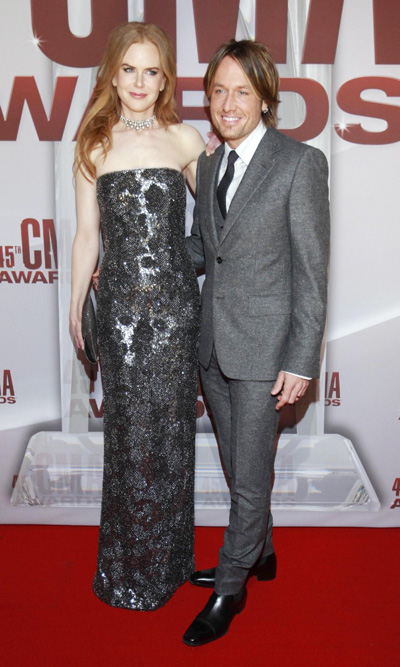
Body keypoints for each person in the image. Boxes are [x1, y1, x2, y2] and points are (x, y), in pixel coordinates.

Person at [183, 39, 330, 646]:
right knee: (238, 465)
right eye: (218, 90)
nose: (228, 103)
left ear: (265, 98)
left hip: (267, 352)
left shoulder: (299, 163)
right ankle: (261, 551)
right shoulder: (209, 166)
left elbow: (312, 273)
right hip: (214, 347)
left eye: (242, 91)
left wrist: (301, 359)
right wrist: (140, 262)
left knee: (247, 478)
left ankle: (231, 586)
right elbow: (203, 250)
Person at [69, 21, 205, 611]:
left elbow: (219, 227)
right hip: (120, 315)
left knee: (171, 437)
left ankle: (170, 564)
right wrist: (76, 303)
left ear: (166, 78)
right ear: (112, 74)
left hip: (175, 313)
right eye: (129, 69)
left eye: (152, 71)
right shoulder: (93, 145)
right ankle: (126, 570)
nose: (140, 82)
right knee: (128, 439)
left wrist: (177, 264)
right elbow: (86, 236)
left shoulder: (185, 140)